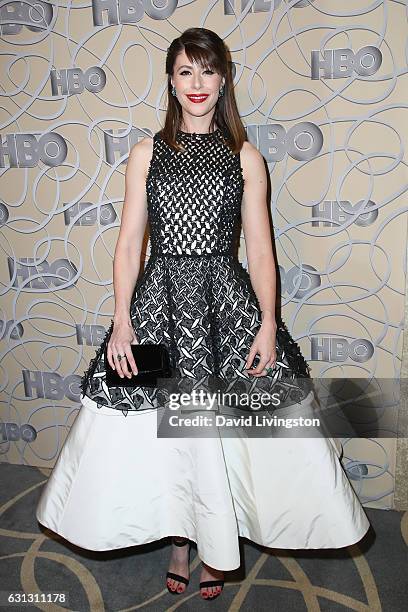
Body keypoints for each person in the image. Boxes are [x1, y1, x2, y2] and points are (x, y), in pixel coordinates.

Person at [36, 27, 371, 602]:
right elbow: (128, 244)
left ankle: (217, 546)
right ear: (170, 80)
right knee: (158, 434)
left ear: (224, 79)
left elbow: (262, 250)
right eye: (186, 71)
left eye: (208, 71)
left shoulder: (246, 157)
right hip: (159, 305)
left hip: (226, 306)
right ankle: (180, 541)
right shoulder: (147, 152)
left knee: (217, 431)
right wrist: (122, 318)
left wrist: (267, 321)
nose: (197, 83)